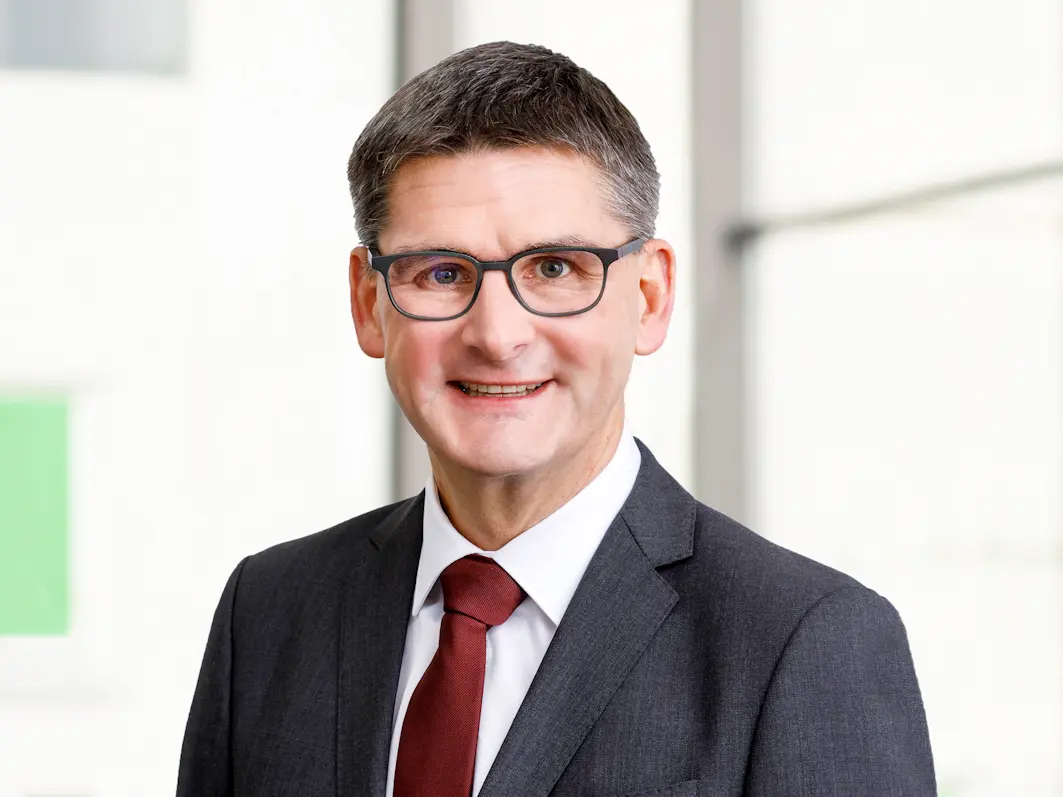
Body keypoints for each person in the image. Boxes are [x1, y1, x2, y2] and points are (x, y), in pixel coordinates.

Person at [177, 41, 936, 797]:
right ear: (368, 303)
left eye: (554, 268)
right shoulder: (268, 611)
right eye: (441, 272)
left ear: (649, 297)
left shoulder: (804, 641)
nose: (497, 334)